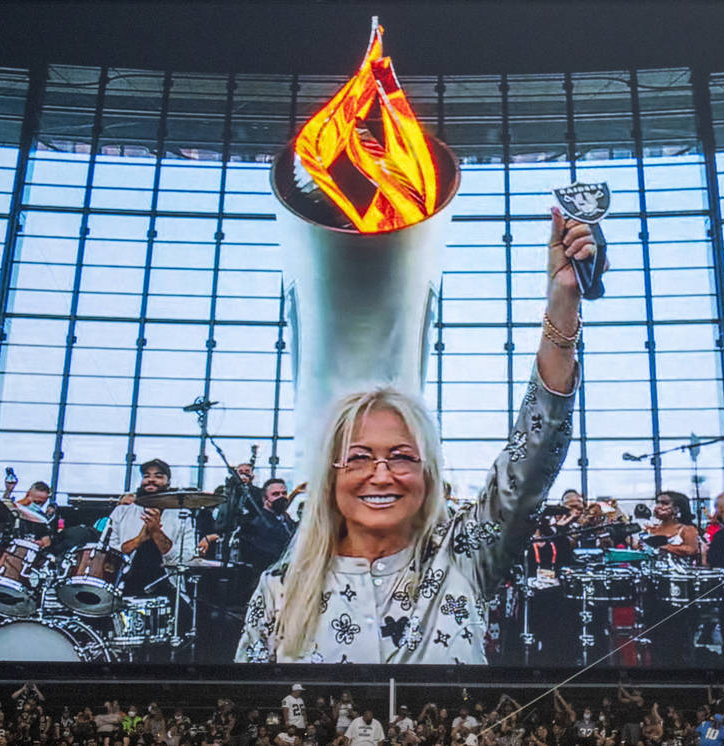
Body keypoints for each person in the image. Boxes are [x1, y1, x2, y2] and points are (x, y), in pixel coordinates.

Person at [235, 207, 593, 663]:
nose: (380, 475)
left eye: (401, 456)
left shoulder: (463, 558)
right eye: (359, 457)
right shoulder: (279, 590)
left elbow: (533, 454)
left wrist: (563, 301)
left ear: (427, 473)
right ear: (330, 474)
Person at [107, 458, 202, 595]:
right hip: (123, 586)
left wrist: (156, 532)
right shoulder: (122, 511)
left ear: (168, 482)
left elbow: (185, 558)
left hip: (168, 587)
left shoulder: (182, 516)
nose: (151, 480)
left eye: (158, 476)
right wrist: (139, 539)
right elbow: (109, 554)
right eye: (146, 476)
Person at [644, 490, 701, 561]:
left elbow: (692, 550)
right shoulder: (651, 529)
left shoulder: (686, 529)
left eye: (664, 503)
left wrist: (667, 547)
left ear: (676, 509)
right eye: (657, 503)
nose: (658, 507)